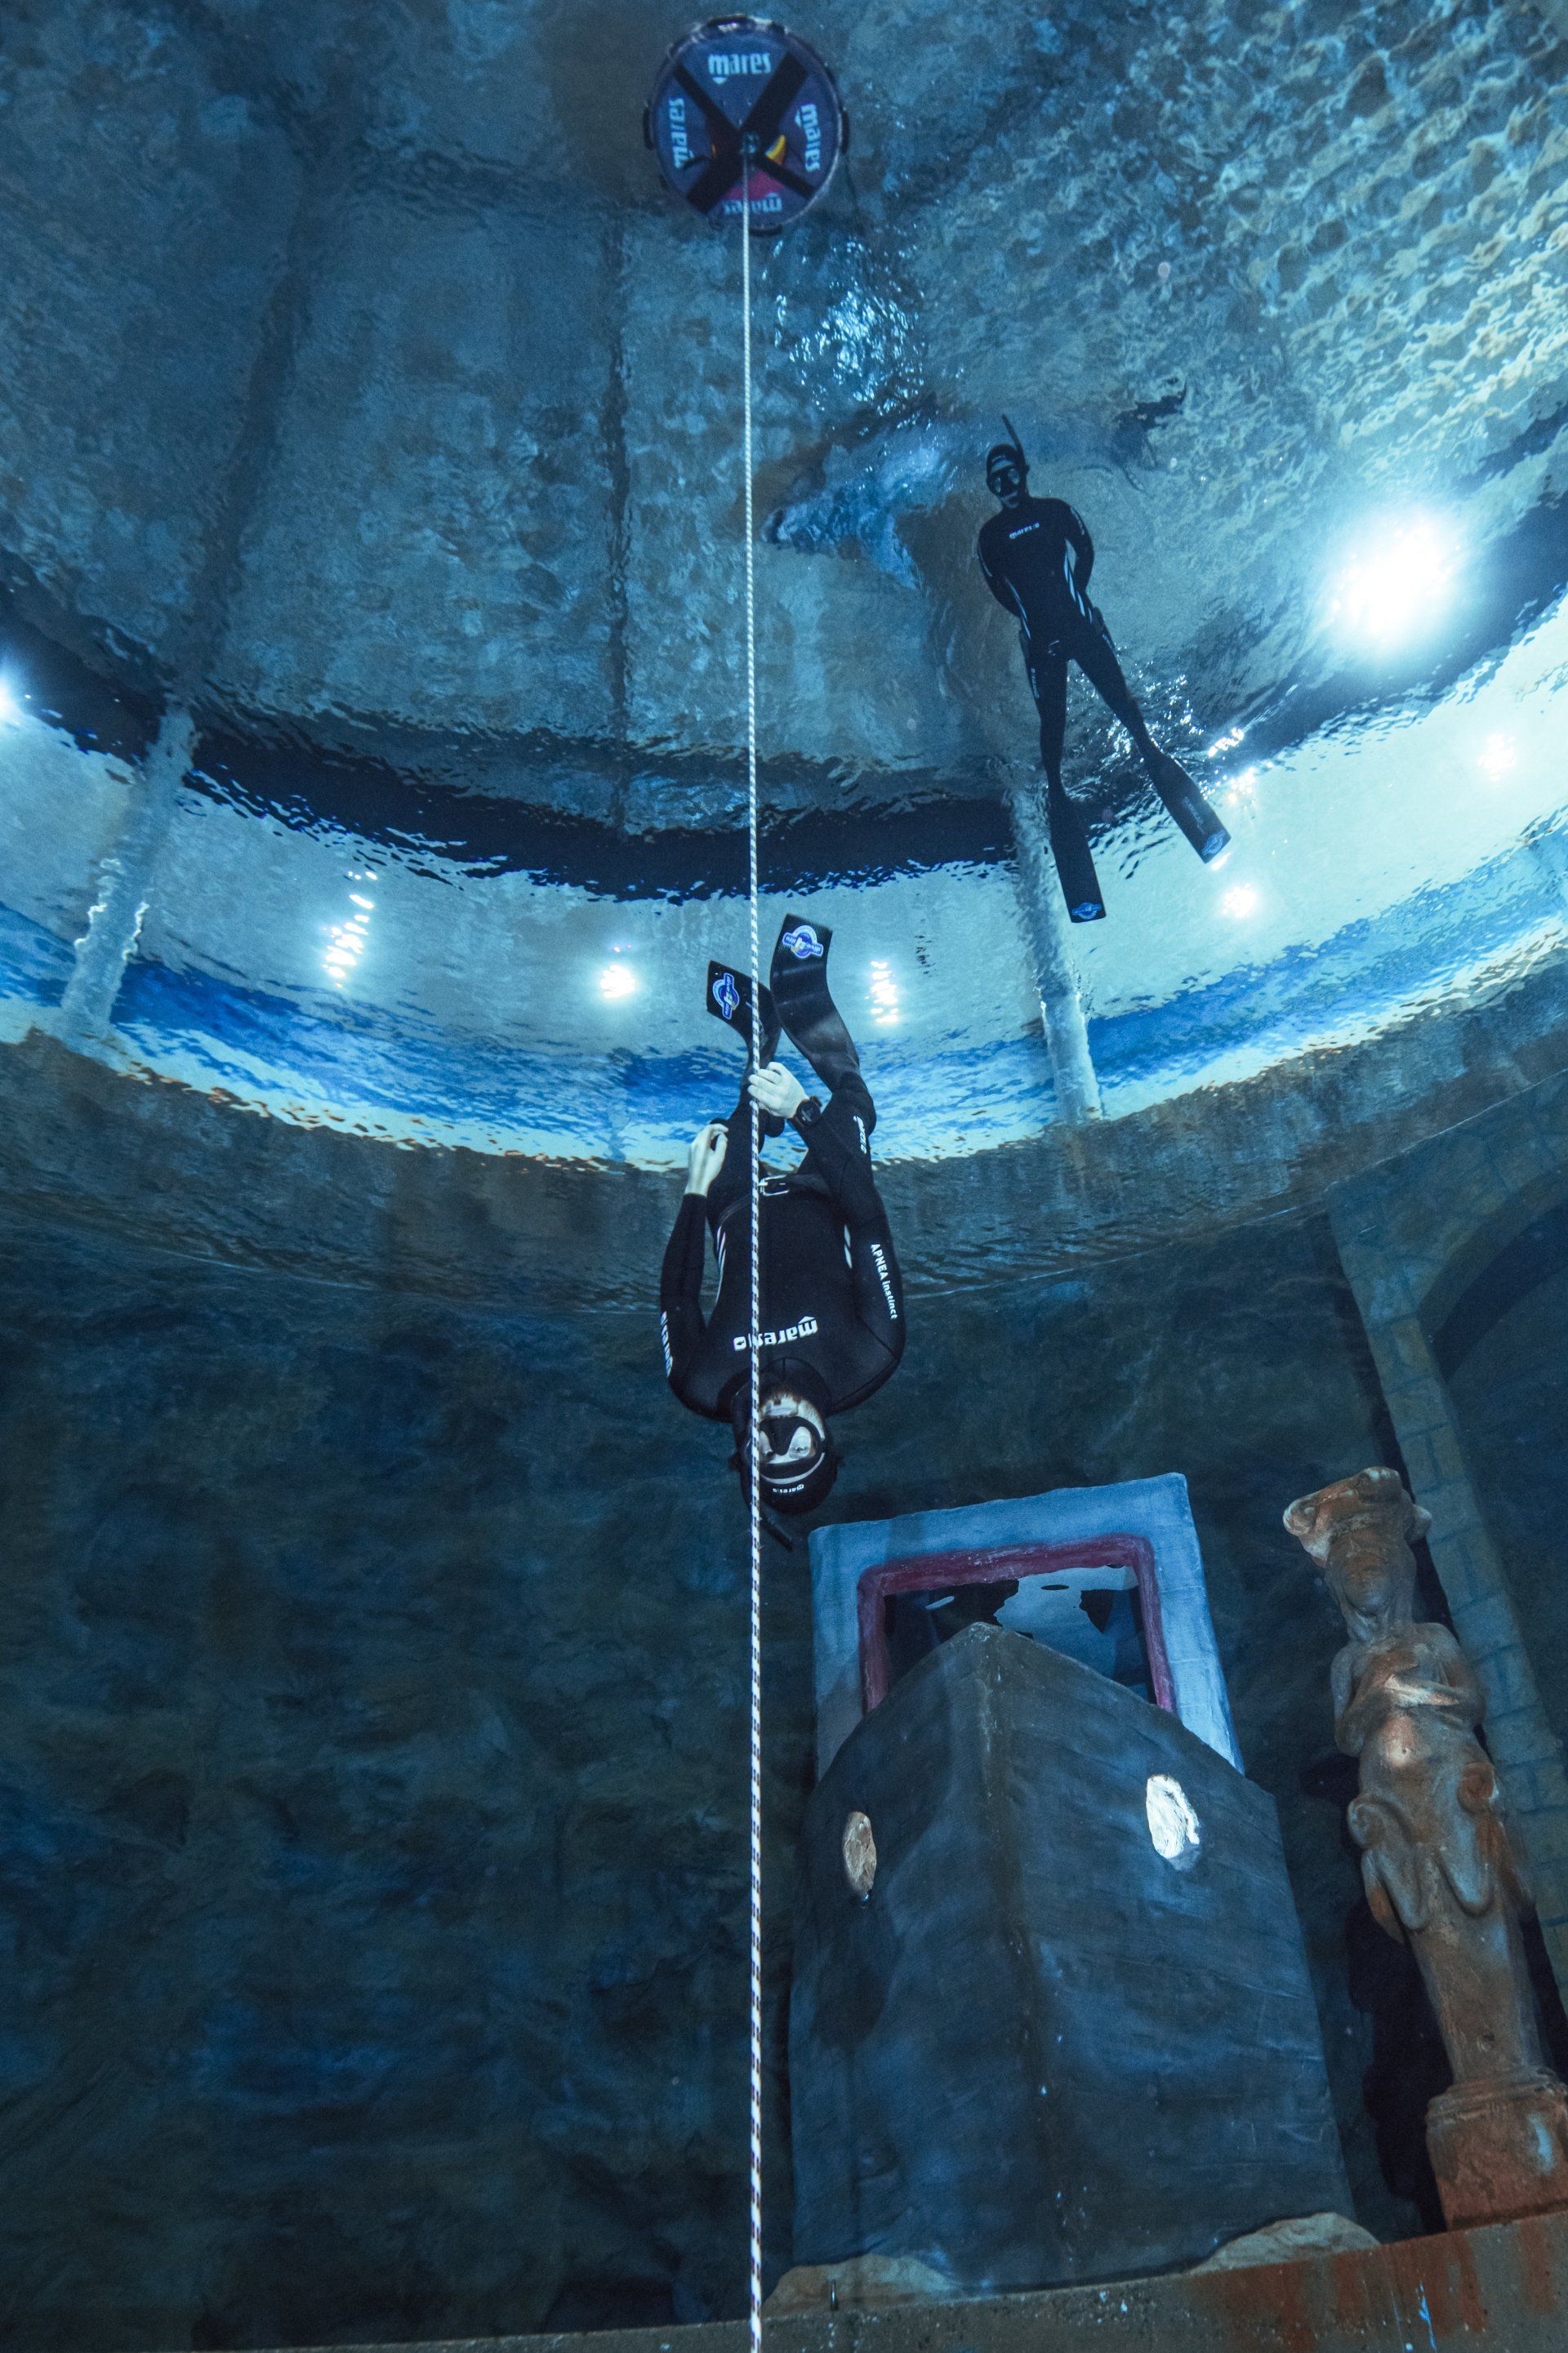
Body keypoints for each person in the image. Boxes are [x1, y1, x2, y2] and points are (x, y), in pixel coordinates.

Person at [660, 915, 905, 1517]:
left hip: (735, 1206)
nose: (779, 1427)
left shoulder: (701, 1384)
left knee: (739, 1116)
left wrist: (694, 1190)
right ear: (826, 1439)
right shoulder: (870, 1353)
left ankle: (761, 1041)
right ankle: (809, 1020)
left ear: (744, 1453)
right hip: (827, 1191)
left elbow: (677, 1298)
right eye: (799, 1445)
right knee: (851, 1106)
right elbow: (868, 1222)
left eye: (767, 1451)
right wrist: (803, 1112)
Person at [978, 422, 1230, 921]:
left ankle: (1163, 772)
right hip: (1045, 646)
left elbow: (1086, 549)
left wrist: (1075, 600)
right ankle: (1060, 802)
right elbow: (1000, 591)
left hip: (1082, 630)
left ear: (1024, 472)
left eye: (1010, 474)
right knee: (1052, 732)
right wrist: (1035, 621)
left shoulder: (1054, 511)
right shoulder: (989, 538)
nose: (1005, 486)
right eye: (996, 480)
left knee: (1127, 712)